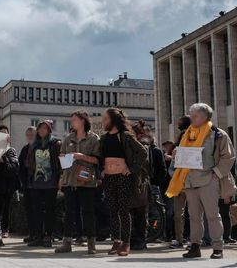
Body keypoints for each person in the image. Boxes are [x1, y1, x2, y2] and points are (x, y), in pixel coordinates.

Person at [166, 103, 237, 260]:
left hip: (208, 180)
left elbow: (229, 157)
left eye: (195, 115)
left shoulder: (218, 134)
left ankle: (217, 247)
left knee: (212, 215)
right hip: (189, 181)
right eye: (191, 114)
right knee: (193, 216)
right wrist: (177, 154)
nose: (191, 117)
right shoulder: (187, 134)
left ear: (205, 117)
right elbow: (183, 159)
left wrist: (216, 174)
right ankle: (195, 246)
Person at [99, 108, 148, 257]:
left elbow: (143, 152)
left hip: (123, 177)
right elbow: (102, 156)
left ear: (113, 120)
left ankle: (126, 243)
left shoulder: (125, 136)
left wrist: (131, 168)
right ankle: (116, 241)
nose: (103, 121)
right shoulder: (104, 138)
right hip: (109, 177)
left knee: (124, 210)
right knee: (112, 210)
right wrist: (102, 169)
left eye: (106, 118)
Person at [55, 111, 101, 255]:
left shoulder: (94, 139)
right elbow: (61, 156)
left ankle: (91, 244)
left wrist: (82, 157)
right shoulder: (68, 138)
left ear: (82, 121)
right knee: (69, 213)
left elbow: (98, 160)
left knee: (88, 212)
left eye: (74, 120)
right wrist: (63, 157)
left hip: (86, 181)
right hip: (70, 181)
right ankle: (66, 243)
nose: (72, 122)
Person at [130, 121, 166, 250]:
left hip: (148, 185)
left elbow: (161, 170)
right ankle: (136, 239)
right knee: (137, 213)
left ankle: (144, 238)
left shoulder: (154, 150)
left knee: (148, 213)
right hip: (138, 184)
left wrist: (154, 181)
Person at [26, 120, 62, 247]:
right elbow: (29, 163)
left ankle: (49, 236)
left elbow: (60, 162)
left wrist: (60, 178)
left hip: (51, 182)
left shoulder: (55, 144)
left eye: (44, 128)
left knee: (50, 210)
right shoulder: (33, 145)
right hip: (35, 183)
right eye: (40, 128)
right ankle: (38, 236)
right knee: (36, 211)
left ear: (49, 130)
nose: (42, 130)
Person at [169, 116, 191, 249]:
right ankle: (179, 239)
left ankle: (193, 239)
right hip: (179, 185)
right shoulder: (176, 152)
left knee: (193, 214)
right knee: (178, 214)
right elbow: (171, 169)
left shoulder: (195, 151)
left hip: (192, 185)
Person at [18, 126, 37, 243]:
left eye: (32, 134)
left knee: (38, 210)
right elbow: (20, 166)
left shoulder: (40, 147)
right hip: (27, 185)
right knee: (29, 210)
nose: (30, 137)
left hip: (38, 184)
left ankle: (40, 234)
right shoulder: (25, 149)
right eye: (28, 135)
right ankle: (31, 233)